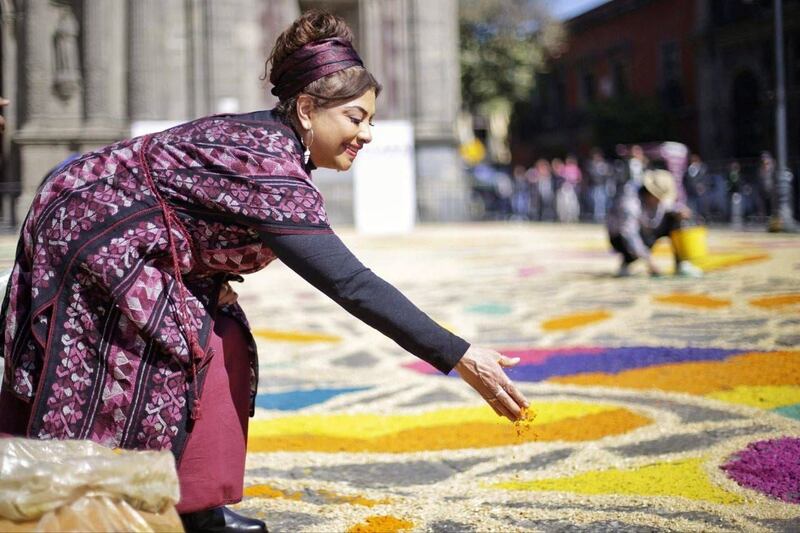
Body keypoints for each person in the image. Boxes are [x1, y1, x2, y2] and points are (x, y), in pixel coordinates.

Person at [0, 11, 529, 533]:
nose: (367, 133)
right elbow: (348, 282)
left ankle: (195, 502)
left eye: (370, 119)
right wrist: (459, 354)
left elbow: (185, 214)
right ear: (305, 109)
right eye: (355, 117)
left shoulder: (274, 149)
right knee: (174, 344)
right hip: (83, 233)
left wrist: (207, 279)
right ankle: (114, 500)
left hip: (114, 232)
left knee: (223, 330)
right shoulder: (268, 167)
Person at [606, 169, 702, 278]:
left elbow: (669, 207)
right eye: (658, 197)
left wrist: (681, 212)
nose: (661, 200)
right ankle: (628, 260)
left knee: (677, 220)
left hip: (647, 232)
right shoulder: (630, 203)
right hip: (621, 238)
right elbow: (629, 235)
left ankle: (682, 263)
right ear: (650, 193)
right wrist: (649, 261)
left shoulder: (657, 200)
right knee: (628, 240)